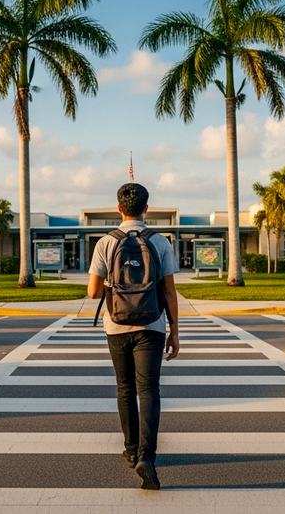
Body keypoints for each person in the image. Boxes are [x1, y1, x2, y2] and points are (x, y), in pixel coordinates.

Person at [87, 183, 179, 490]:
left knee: (124, 387)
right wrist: (175, 331)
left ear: (118, 208)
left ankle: (130, 450)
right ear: (146, 208)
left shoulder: (106, 243)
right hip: (152, 325)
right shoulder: (160, 241)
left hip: (117, 325)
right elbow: (169, 291)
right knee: (148, 389)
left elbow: (93, 291)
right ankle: (146, 455)